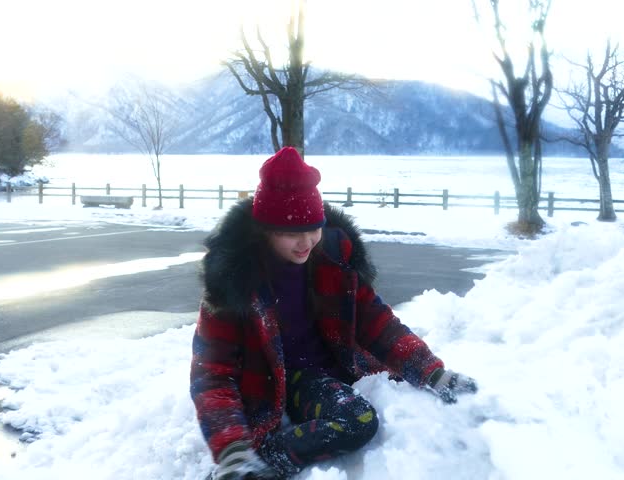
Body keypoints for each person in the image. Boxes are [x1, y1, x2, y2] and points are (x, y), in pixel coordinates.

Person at [191, 146, 478, 480]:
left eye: (313, 228)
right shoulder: (234, 284)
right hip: (283, 383)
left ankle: (264, 461)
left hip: (333, 370)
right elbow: (212, 373)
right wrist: (233, 450)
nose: (305, 242)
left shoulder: (334, 263)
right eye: (290, 233)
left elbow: (379, 324)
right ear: (264, 230)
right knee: (358, 420)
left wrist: (432, 373)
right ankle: (258, 465)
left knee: (357, 419)